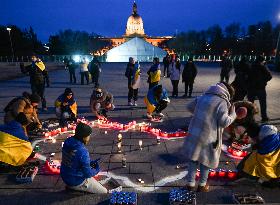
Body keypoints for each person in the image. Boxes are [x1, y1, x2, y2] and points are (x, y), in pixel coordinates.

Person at [182, 82, 236, 192]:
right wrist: (233, 115)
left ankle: (190, 184)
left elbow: (189, 106)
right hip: (209, 136)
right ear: (227, 93)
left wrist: (201, 113)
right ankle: (202, 185)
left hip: (195, 133)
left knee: (193, 159)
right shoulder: (222, 102)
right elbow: (224, 122)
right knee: (206, 161)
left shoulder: (203, 96)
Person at [60, 122, 107, 193]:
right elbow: (88, 174)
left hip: (65, 175)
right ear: (83, 137)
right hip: (76, 180)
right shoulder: (82, 151)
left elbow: (73, 158)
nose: (89, 138)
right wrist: (97, 170)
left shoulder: (68, 141)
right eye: (88, 136)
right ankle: (78, 189)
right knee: (104, 191)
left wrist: (88, 163)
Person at [247, 56, 272, 122]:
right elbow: (269, 76)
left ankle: (250, 118)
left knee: (250, 104)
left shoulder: (251, 66)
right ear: (262, 61)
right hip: (260, 88)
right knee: (263, 104)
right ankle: (264, 117)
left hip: (251, 88)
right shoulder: (262, 67)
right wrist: (263, 81)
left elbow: (247, 77)